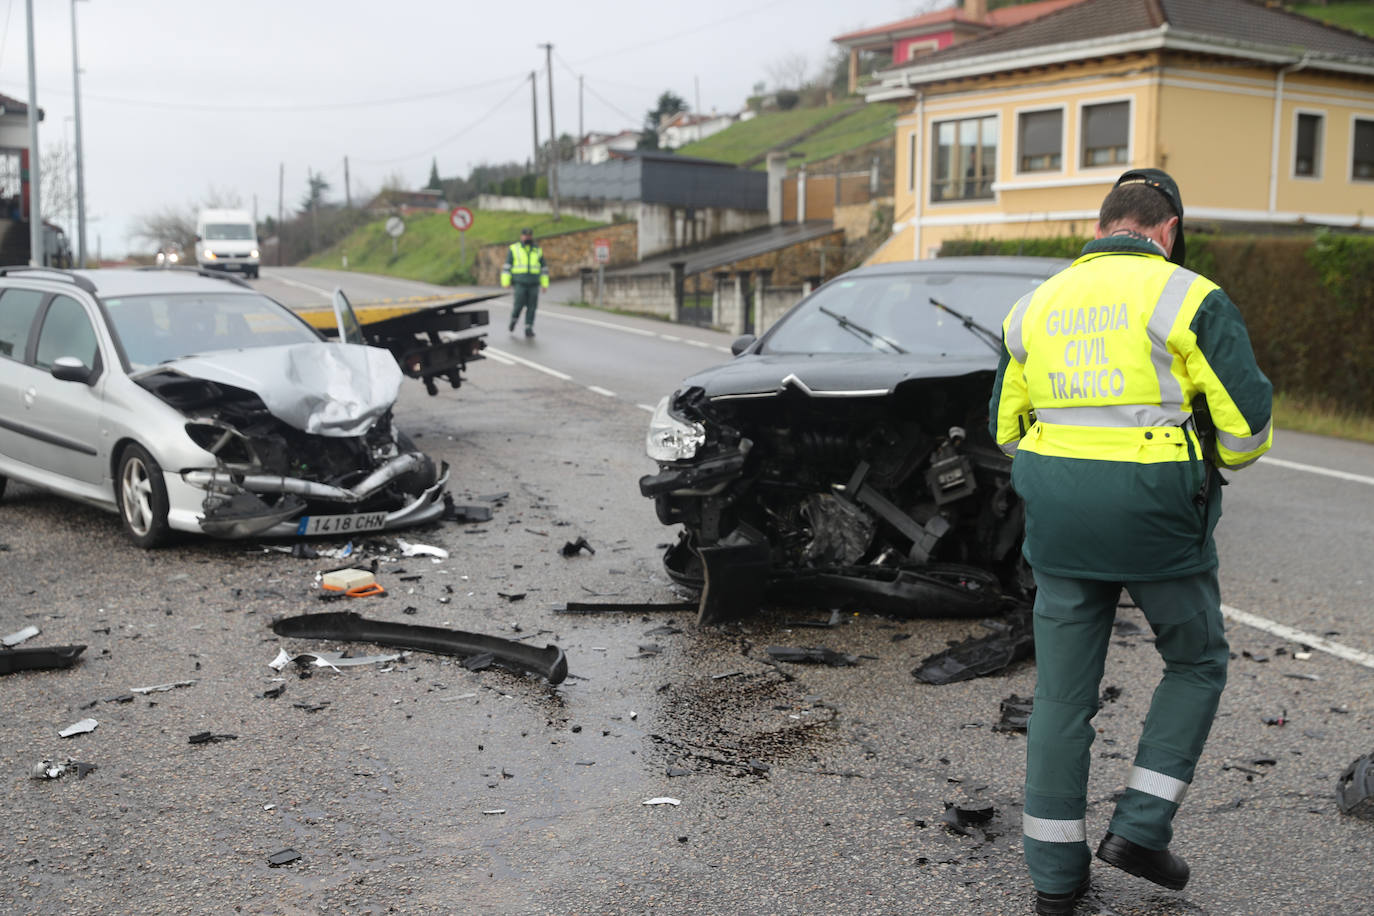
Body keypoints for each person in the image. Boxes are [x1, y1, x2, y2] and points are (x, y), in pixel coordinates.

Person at [989, 168, 1273, 915]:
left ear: (1104, 221)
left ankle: (1055, 883)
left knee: (1060, 697)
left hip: (1057, 513)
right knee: (1196, 659)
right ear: (1168, 229)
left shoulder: (1034, 305)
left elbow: (1005, 428)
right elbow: (1245, 436)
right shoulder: (1189, 295)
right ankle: (1141, 830)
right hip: (1154, 515)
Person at [500, 227, 549, 338]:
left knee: (532, 307)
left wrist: (545, 284)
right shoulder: (514, 249)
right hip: (520, 282)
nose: (528, 237)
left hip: (534, 283)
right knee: (518, 305)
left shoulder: (537, 250)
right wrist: (505, 282)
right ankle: (513, 320)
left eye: (529, 235)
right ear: (521, 236)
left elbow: (544, 269)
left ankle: (528, 328)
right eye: (525, 235)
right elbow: (507, 266)